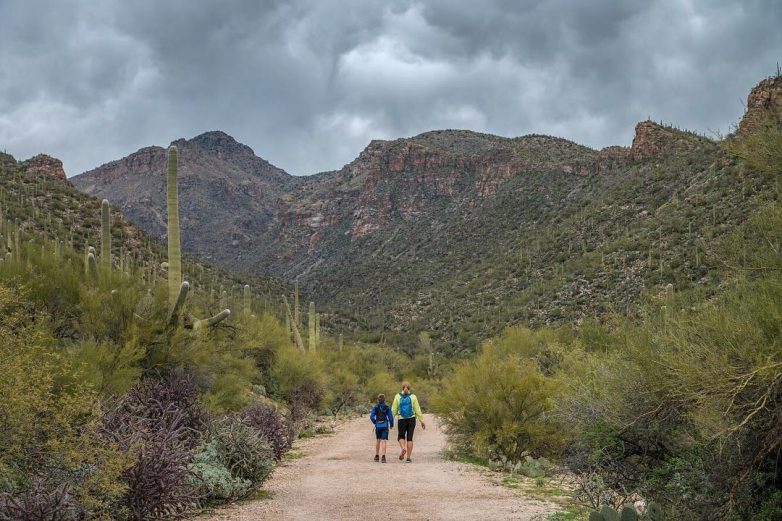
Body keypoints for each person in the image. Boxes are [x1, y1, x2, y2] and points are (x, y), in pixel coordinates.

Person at [391, 381, 425, 463]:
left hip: (401, 419)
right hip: (411, 419)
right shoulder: (413, 397)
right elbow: (417, 409)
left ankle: (403, 448)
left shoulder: (397, 396)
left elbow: (393, 410)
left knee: (401, 436)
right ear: (409, 388)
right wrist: (422, 421)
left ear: (402, 388)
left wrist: (390, 420)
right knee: (410, 438)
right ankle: (408, 458)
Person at [370, 394, 393, 463]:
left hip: (378, 426)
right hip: (385, 425)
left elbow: (371, 416)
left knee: (378, 440)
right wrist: (391, 424)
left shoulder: (376, 407)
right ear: (384, 399)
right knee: (384, 440)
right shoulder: (387, 407)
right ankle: (383, 457)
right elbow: (390, 417)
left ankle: (377, 456)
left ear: (378, 400)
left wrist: (375, 422)